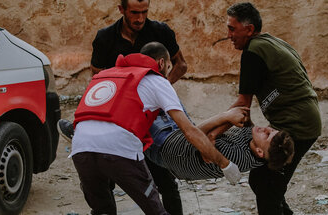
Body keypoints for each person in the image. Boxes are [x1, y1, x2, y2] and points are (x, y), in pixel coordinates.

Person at [69, 42, 241, 215]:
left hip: (80, 146)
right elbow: (188, 130)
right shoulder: (157, 80)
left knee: (102, 210)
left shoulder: (107, 75)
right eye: (168, 67)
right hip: (120, 148)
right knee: (155, 210)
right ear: (161, 64)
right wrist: (224, 163)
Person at [57, 0, 188, 214]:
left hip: (150, 115)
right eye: (134, 12)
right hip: (117, 119)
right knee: (105, 183)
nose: (140, 19)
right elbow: (97, 80)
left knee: (165, 180)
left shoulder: (160, 31)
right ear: (121, 9)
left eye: (145, 12)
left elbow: (181, 65)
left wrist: (156, 92)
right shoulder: (105, 38)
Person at [220, 2, 322, 215]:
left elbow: (242, 105)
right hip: (302, 119)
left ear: (249, 30)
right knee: (264, 181)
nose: (228, 35)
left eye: (232, 28)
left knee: (267, 184)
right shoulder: (270, 42)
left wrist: (206, 134)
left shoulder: (253, 51)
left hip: (297, 124)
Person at [145, 106, 295, 181]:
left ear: (260, 152)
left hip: (165, 146)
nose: (265, 128)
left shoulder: (237, 157)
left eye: (267, 134)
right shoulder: (256, 145)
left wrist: (226, 117)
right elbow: (243, 117)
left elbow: (196, 134)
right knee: (163, 87)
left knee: (136, 101)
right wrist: (232, 119)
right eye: (271, 129)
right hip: (178, 136)